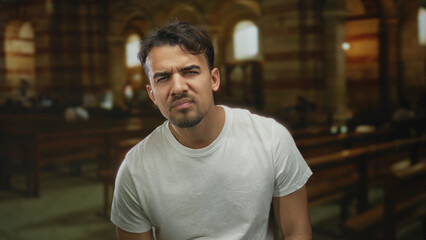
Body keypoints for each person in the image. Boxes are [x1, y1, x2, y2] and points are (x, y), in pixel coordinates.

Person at [111, 21, 312, 240]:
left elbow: (296, 232)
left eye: (190, 72)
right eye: (163, 78)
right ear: (152, 95)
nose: (178, 87)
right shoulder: (135, 169)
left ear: (214, 79)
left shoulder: (271, 138)